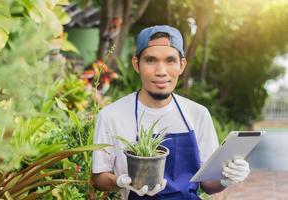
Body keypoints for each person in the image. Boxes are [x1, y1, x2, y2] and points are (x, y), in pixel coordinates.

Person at [92, 25, 250, 200]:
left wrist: (226, 178)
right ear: (136, 64)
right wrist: (122, 181)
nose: (161, 71)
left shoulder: (198, 114)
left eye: (170, 60)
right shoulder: (111, 116)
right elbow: (98, 178)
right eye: (151, 60)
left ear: (181, 65)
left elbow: (207, 184)